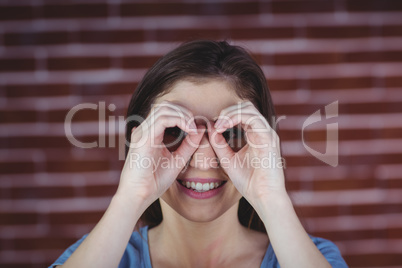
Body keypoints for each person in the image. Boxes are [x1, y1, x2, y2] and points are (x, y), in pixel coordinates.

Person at [49, 40, 348, 268]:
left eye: (231, 132)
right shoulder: (97, 256)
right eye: (174, 130)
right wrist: (131, 197)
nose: (204, 158)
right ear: (139, 139)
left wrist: (272, 200)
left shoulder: (311, 256)